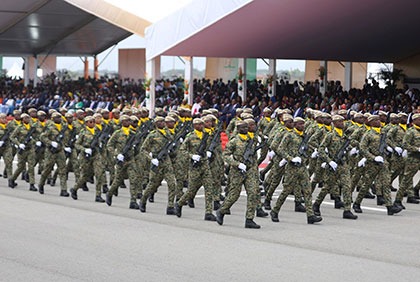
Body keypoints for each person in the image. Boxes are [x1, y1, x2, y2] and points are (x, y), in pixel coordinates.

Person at [269, 117, 322, 224]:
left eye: (303, 124)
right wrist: (290, 158)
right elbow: (280, 149)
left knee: (307, 191)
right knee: (286, 190)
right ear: (295, 124)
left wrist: (311, 153)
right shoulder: (289, 135)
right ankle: (275, 210)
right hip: (292, 167)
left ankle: (310, 215)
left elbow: (309, 148)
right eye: (300, 124)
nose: (302, 126)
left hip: (302, 167)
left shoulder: (305, 136)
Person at [216, 119, 261, 228]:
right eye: (243, 127)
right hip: (237, 171)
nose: (245, 129)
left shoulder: (252, 139)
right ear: (238, 129)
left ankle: (249, 219)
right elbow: (225, 155)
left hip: (250, 170)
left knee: (253, 193)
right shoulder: (234, 141)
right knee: (234, 195)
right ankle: (221, 211)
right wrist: (237, 164)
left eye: (246, 127)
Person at [313, 115, 358, 219]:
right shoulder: (330, 135)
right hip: (333, 166)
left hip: (343, 165)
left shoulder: (345, 136)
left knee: (347, 186)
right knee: (327, 187)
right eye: (339, 121)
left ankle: (347, 210)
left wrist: (351, 150)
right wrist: (329, 161)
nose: (342, 123)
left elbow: (350, 145)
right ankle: (316, 204)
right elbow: (321, 149)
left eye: (343, 121)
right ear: (334, 123)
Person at [175, 118, 216, 221]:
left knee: (209, 188)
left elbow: (211, 146)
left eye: (202, 124)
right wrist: (192, 156)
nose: (201, 126)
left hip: (205, 164)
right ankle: (179, 203)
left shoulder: (207, 135)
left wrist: (209, 153)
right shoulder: (190, 137)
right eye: (198, 124)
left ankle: (208, 212)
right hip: (195, 167)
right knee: (191, 190)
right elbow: (182, 150)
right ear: (194, 125)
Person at [139, 116, 177, 214]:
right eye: (159, 122)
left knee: (172, 184)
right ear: (156, 124)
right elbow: (143, 149)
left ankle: (170, 206)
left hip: (166, 161)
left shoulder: (168, 133)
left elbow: (172, 143)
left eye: (163, 121)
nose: (162, 123)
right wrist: (151, 159)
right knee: (152, 184)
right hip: (156, 162)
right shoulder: (152, 135)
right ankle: (143, 201)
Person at [106, 114, 139, 208]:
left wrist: (135, 154)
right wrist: (117, 154)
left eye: (129, 120)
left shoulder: (133, 133)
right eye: (126, 120)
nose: (128, 122)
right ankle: (110, 193)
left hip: (131, 160)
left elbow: (138, 147)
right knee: (118, 180)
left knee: (133, 179)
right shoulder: (117, 133)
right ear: (121, 122)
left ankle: (133, 201)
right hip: (121, 160)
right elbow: (109, 145)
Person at [70, 116, 106, 202]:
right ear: (86, 123)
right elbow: (77, 144)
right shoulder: (83, 132)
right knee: (84, 176)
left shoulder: (97, 131)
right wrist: (85, 149)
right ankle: (75, 189)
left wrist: (101, 145)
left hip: (96, 155)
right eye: (90, 122)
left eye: (93, 122)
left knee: (99, 174)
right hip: (85, 156)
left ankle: (98, 195)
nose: (92, 123)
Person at [8, 113, 37, 191]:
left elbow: (36, 136)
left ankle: (32, 184)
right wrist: (18, 144)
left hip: (30, 149)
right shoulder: (19, 127)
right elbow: (12, 137)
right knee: (21, 167)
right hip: (22, 149)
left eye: (28, 118)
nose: (28, 119)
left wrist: (34, 140)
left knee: (31, 167)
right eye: (26, 118)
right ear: (22, 119)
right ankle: (12, 179)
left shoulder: (32, 127)